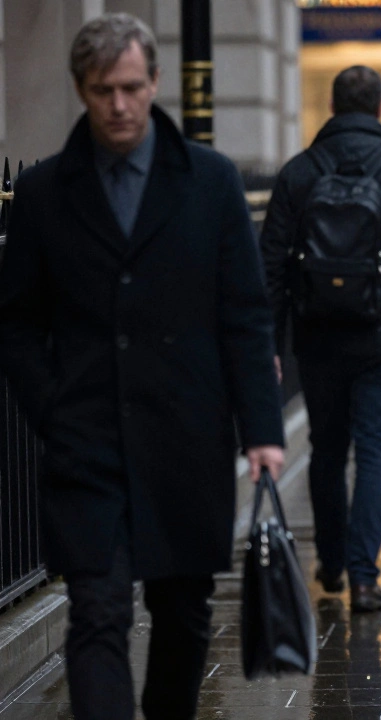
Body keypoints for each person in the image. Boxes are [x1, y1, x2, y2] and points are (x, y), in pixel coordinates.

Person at [0, 14, 284, 719]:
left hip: (185, 439)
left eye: (131, 87)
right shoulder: (43, 194)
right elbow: (17, 321)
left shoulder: (210, 182)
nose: (119, 105)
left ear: (155, 82)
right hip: (86, 443)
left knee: (183, 615)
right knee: (97, 614)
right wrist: (52, 408)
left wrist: (262, 430)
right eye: (103, 90)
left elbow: (244, 314)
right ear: (81, 89)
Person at [259, 65, 381, 613]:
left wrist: (269, 344)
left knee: (325, 451)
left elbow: (270, 266)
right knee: (373, 454)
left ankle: (331, 562)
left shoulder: (298, 173)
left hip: (317, 335)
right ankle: (365, 578)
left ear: (332, 108)